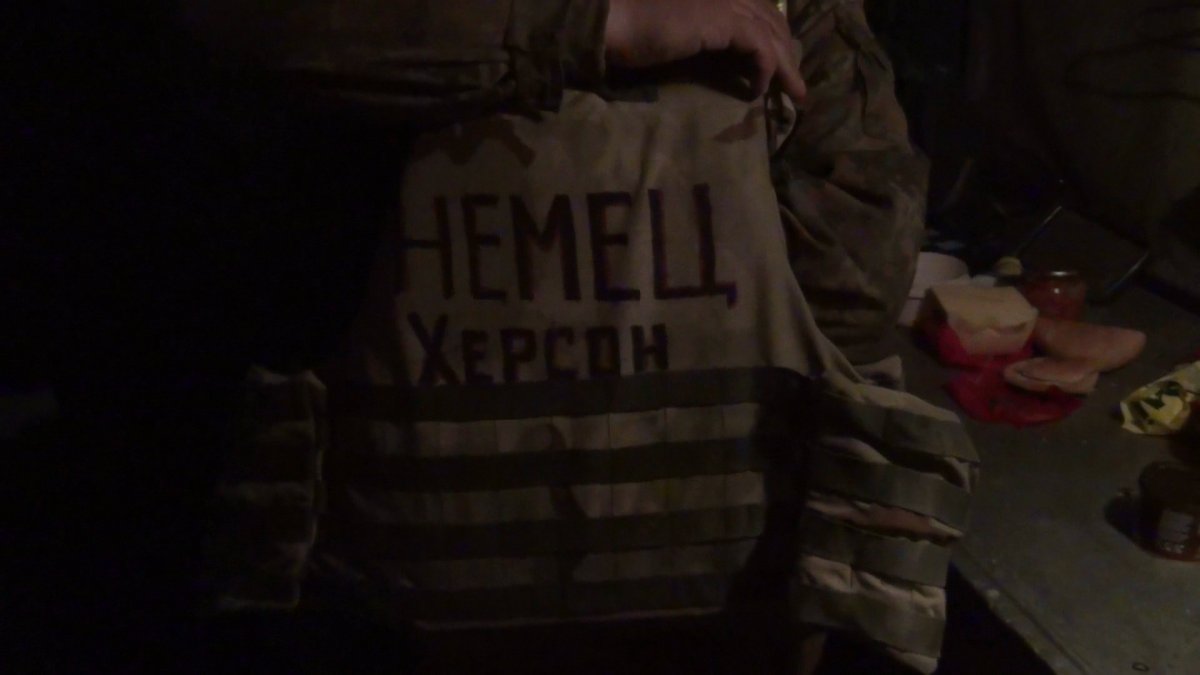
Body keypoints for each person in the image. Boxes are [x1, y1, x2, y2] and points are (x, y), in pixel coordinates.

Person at [185, 2, 976, 673]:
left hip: (431, 572)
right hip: (423, 594)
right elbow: (858, 262)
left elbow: (854, 264)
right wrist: (602, 24)